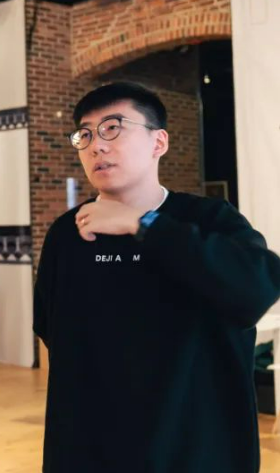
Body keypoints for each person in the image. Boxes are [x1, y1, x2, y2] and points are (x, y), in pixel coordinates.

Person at [33, 81, 280, 472]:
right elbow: (51, 328)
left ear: (158, 142)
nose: (97, 146)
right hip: (90, 447)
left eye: (113, 128)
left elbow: (256, 289)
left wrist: (142, 224)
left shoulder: (210, 219)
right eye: (86, 135)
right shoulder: (67, 233)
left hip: (194, 448)